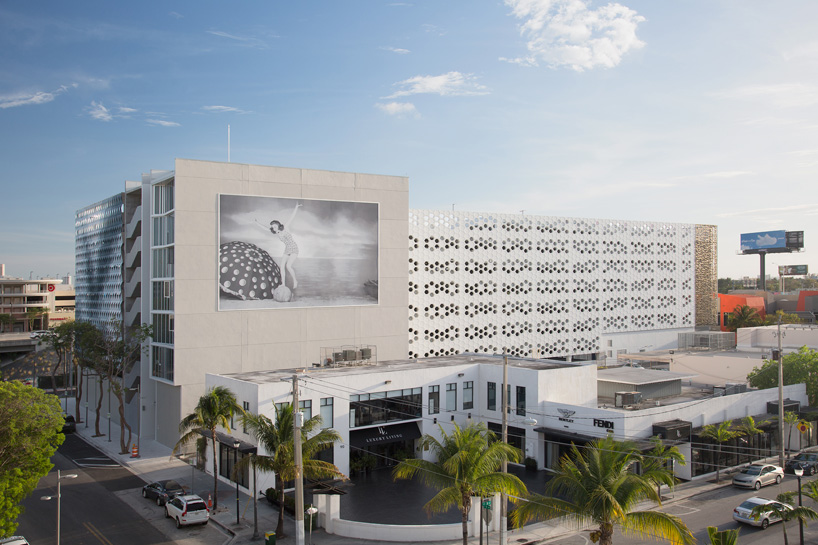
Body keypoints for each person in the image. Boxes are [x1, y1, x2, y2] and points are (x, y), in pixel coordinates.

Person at [255, 203, 302, 290]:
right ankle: (283, 284)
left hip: (294, 248)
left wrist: (296, 207)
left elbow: (291, 217)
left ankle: (295, 281)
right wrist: (257, 223)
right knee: (282, 266)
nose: (273, 228)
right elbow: (265, 228)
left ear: (278, 225)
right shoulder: (276, 232)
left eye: (275, 226)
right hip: (287, 249)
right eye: (272, 227)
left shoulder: (285, 228)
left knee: (288, 266)